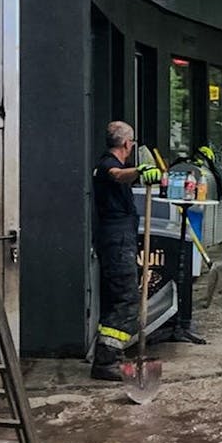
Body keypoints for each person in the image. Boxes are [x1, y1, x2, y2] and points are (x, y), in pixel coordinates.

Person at [90, 121, 162, 381]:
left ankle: (108, 356)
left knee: (116, 301)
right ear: (127, 144)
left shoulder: (111, 164)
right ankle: (107, 359)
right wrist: (141, 171)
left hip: (119, 239)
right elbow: (118, 176)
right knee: (127, 300)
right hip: (116, 241)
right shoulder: (108, 165)